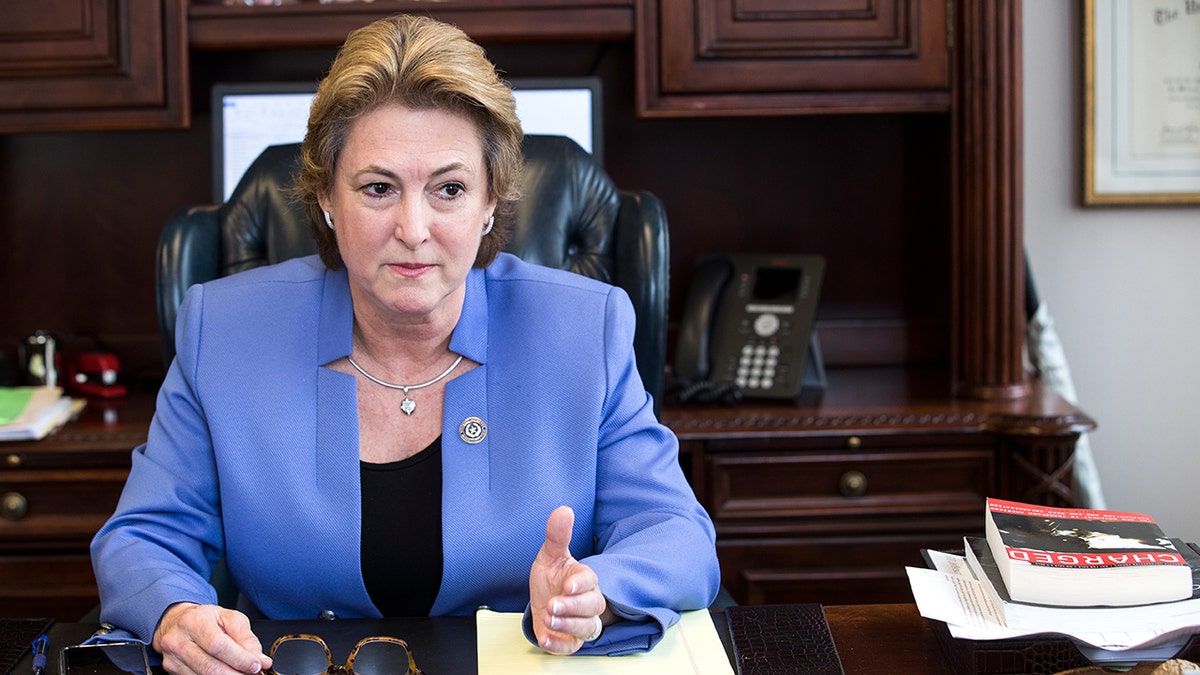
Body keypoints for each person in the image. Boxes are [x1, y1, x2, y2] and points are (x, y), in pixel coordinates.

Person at [89, 12, 720, 674]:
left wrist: (597, 592)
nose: (413, 229)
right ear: (327, 197)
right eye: (378, 188)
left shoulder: (585, 329)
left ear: (490, 202)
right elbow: (144, 535)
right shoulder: (223, 328)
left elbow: (676, 534)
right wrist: (176, 614)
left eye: (449, 189)